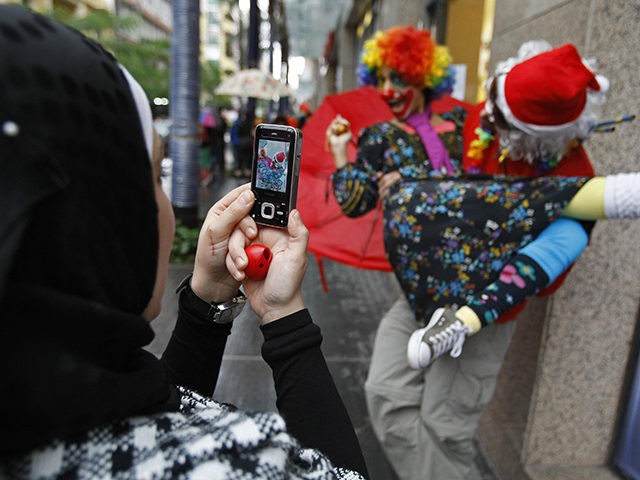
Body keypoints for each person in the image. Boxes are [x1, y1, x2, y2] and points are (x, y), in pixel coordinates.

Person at [0, 5, 368, 479]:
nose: (167, 208)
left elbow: (160, 412)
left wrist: (207, 301)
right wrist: (284, 317)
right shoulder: (234, 466)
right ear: (87, 216)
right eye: (152, 176)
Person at [325, 26, 639, 479]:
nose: (485, 118)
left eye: (500, 121)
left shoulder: (573, 176)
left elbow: (545, 275)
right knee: (386, 395)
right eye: (490, 107)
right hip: (419, 291)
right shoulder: (474, 124)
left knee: (444, 426)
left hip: (484, 315)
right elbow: (400, 189)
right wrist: (407, 186)